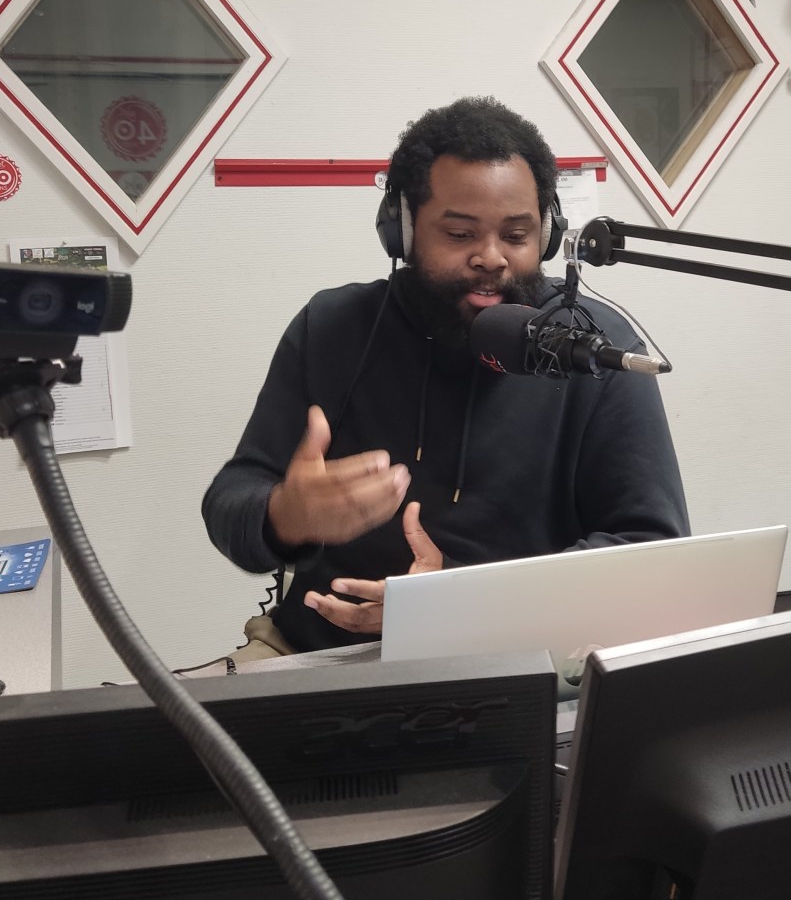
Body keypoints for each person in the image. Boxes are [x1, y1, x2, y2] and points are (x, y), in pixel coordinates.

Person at [202, 95, 689, 656]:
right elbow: (230, 501)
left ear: (548, 234)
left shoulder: (593, 349)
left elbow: (651, 548)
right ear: (404, 231)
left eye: (516, 235)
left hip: (517, 657)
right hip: (319, 652)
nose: (491, 258)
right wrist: (283, 515)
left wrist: (458, 606)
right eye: (459, 234)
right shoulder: (333, 327)